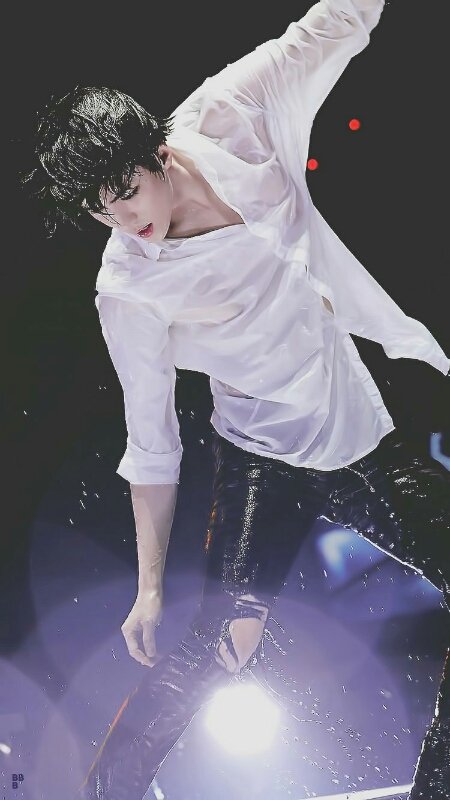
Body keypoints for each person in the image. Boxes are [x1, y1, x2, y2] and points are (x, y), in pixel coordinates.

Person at [21, 1, 450, 798]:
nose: (122, 221)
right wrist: (150, 587)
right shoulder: (127, 288)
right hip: (264, 461)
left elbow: (327, 30)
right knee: (222, 646)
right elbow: (151, 444)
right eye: (99, 209)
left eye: (126, 193)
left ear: (157, 151)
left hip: (361, 435)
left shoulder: (230, 114)